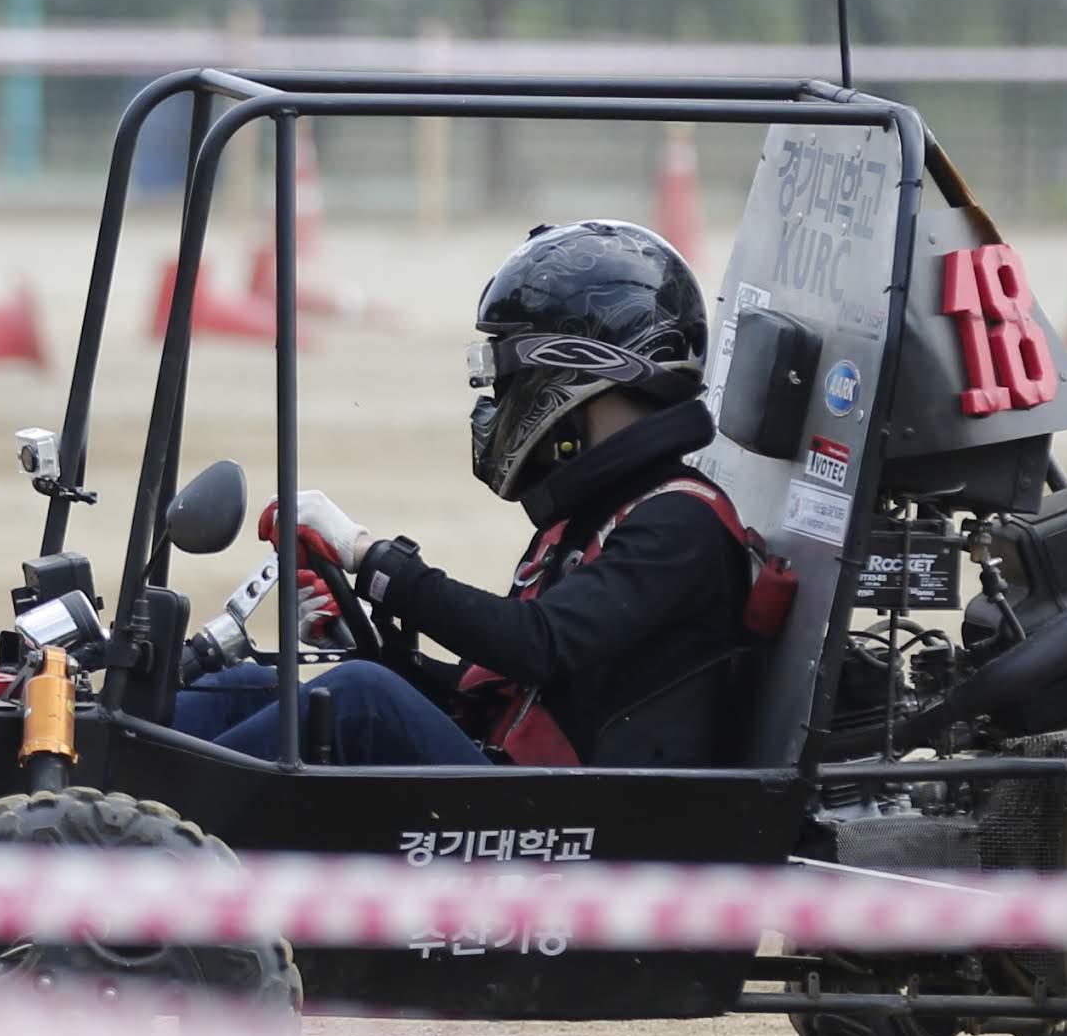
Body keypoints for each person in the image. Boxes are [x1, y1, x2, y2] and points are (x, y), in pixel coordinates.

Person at [169, 219, 763, 768]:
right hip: (528, 792)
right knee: (250, 684)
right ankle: (123, 789)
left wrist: (371, 558)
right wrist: (372, 647)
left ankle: (154, 842)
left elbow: (539, 646)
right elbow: (504, 695)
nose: (497, 399)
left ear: (573, 369)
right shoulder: (601, 515)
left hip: (590, 831)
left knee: (362, 698)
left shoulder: (682, 523)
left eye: (506, 375)